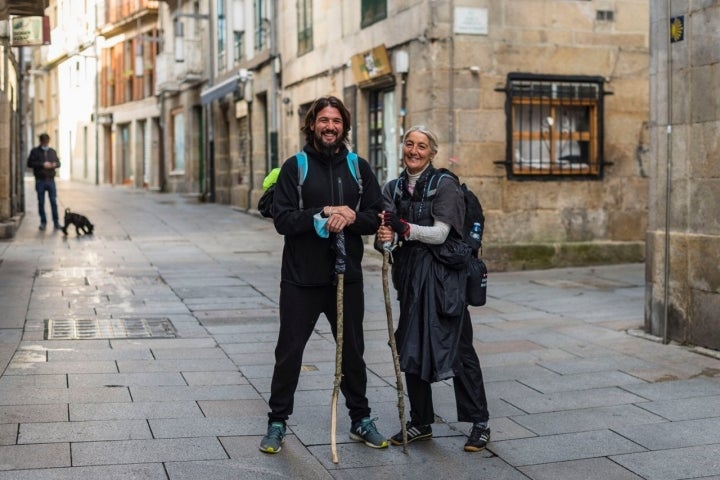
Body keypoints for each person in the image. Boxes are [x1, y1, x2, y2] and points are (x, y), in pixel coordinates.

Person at [260, 95, 387, 454]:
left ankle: (360, 419)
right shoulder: (294, 167)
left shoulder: (358, 167)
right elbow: (283, 219)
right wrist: (325, 211)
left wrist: (350, 216)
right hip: (301, 279)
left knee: (352, 353)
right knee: (289, 353)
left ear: (344, 126)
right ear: (312, 124)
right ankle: (277, 422)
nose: (330, 127)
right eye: (323, 120)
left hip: (346, 279)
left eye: (336, 121)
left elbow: (376, 215)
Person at [375, 125, 491, 452]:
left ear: (432, 152)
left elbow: (440, 234)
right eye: (409, 144)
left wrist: (403, 228)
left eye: (421, 146)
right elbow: (387, 234)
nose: (414, 150)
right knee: (410, 348)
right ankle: (420, 421)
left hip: (445, 282)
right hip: (410, 279)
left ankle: (479, 422)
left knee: (459, 349)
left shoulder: (446, 186)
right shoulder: (393, 187)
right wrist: (386, 239)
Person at [27, 133, 61, 230]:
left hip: (51, 180)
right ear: (41, 142)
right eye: (44, 142)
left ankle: (56, 222)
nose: (46, 144)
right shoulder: (35, 152)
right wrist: (42, 164)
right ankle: (43, 222)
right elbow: (29, 163)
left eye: (47, 142)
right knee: (41, 202)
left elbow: (59, 163)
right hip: (40, 181)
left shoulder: (52, 151)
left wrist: (55, 164)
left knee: (53, 201)